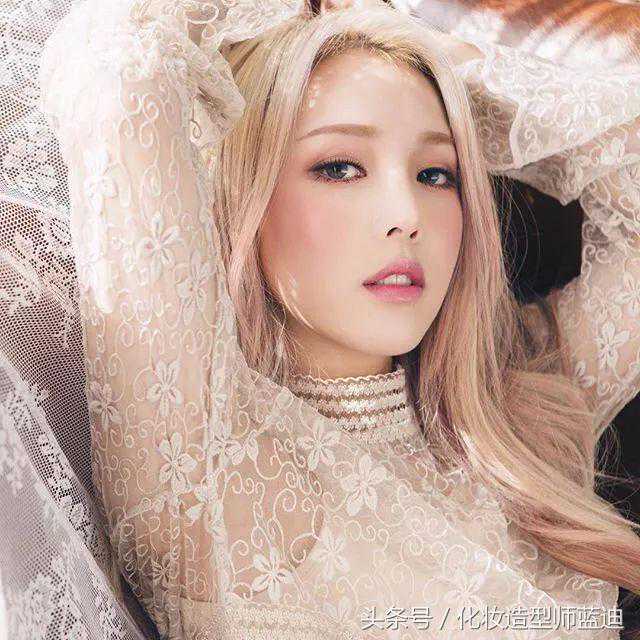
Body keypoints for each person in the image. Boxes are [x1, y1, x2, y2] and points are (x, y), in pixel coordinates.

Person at [35, 0, 640, 637]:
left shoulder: (522, 413)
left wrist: (448, 73)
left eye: (436, 174)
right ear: (243, 191)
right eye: (340, 168)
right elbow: (116, 54)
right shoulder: (213, 478)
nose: (406, 214)